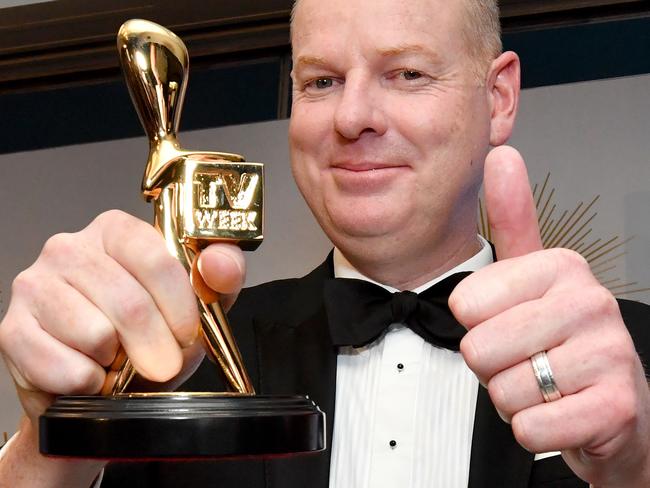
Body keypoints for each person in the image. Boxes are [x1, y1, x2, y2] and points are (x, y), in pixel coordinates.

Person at [0, 0, 649, 486]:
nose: (350, 117)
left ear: (499, 96)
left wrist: (637, 464)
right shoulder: (169, 370)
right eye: (320, 81)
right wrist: (48, 440)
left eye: (407, 73)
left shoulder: (633, 366)